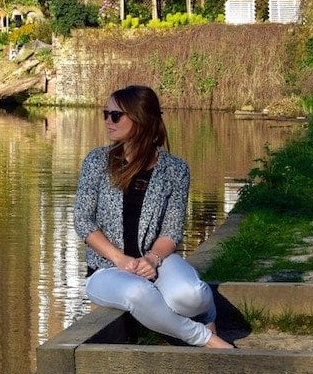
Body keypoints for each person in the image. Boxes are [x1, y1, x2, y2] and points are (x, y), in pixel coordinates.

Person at [73, 85, 234, 349]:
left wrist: (152, 258)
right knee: (139, 293)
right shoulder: (97, 161)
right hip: (105, 270)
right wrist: (120, 259)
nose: (107, 121)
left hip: (156, 261)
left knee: (191, 295)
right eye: (105, 114)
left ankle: (207, 314)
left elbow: (171, 231)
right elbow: (83, 221)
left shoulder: (175, 169)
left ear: (140, 119)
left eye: (115, 116)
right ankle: (207, 339)